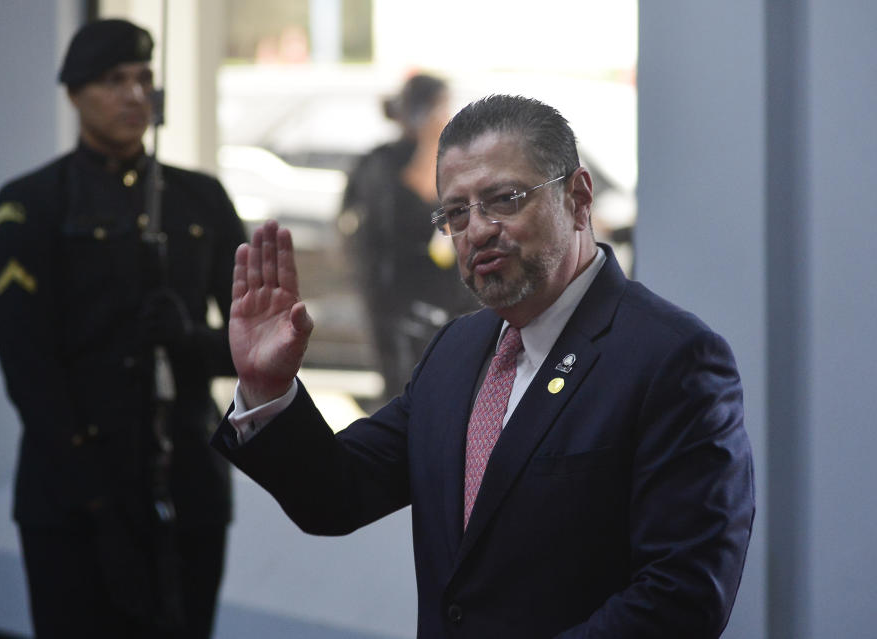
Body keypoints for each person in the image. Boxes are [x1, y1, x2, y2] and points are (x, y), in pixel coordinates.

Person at [213, 95, 754, 637]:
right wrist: (267, 387)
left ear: (579, 197)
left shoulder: (672, 358)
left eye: (505, 199)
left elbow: (681, 598)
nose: (477, 230)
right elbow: (336, 495)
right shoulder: (458, 350)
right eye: (455, 212)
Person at [0, 19, 245, 638]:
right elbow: (28, 368)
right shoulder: (32, 203)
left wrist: (190, 339)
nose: (134, 95)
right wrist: (97, 504)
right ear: (74, 93)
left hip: (185, 481)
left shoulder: (198, 198)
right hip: (73, 492)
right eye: (112, 81)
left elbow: (252, 345)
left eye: (143, 78)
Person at [338, 73, 478, 401]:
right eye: (443, 107)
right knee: (407, 390)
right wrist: (432, 145)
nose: (448, 117)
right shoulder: (383, 163)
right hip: (398, 297)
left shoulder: (451, 158)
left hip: (449, 297)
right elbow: (405, 213)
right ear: (424, 111)